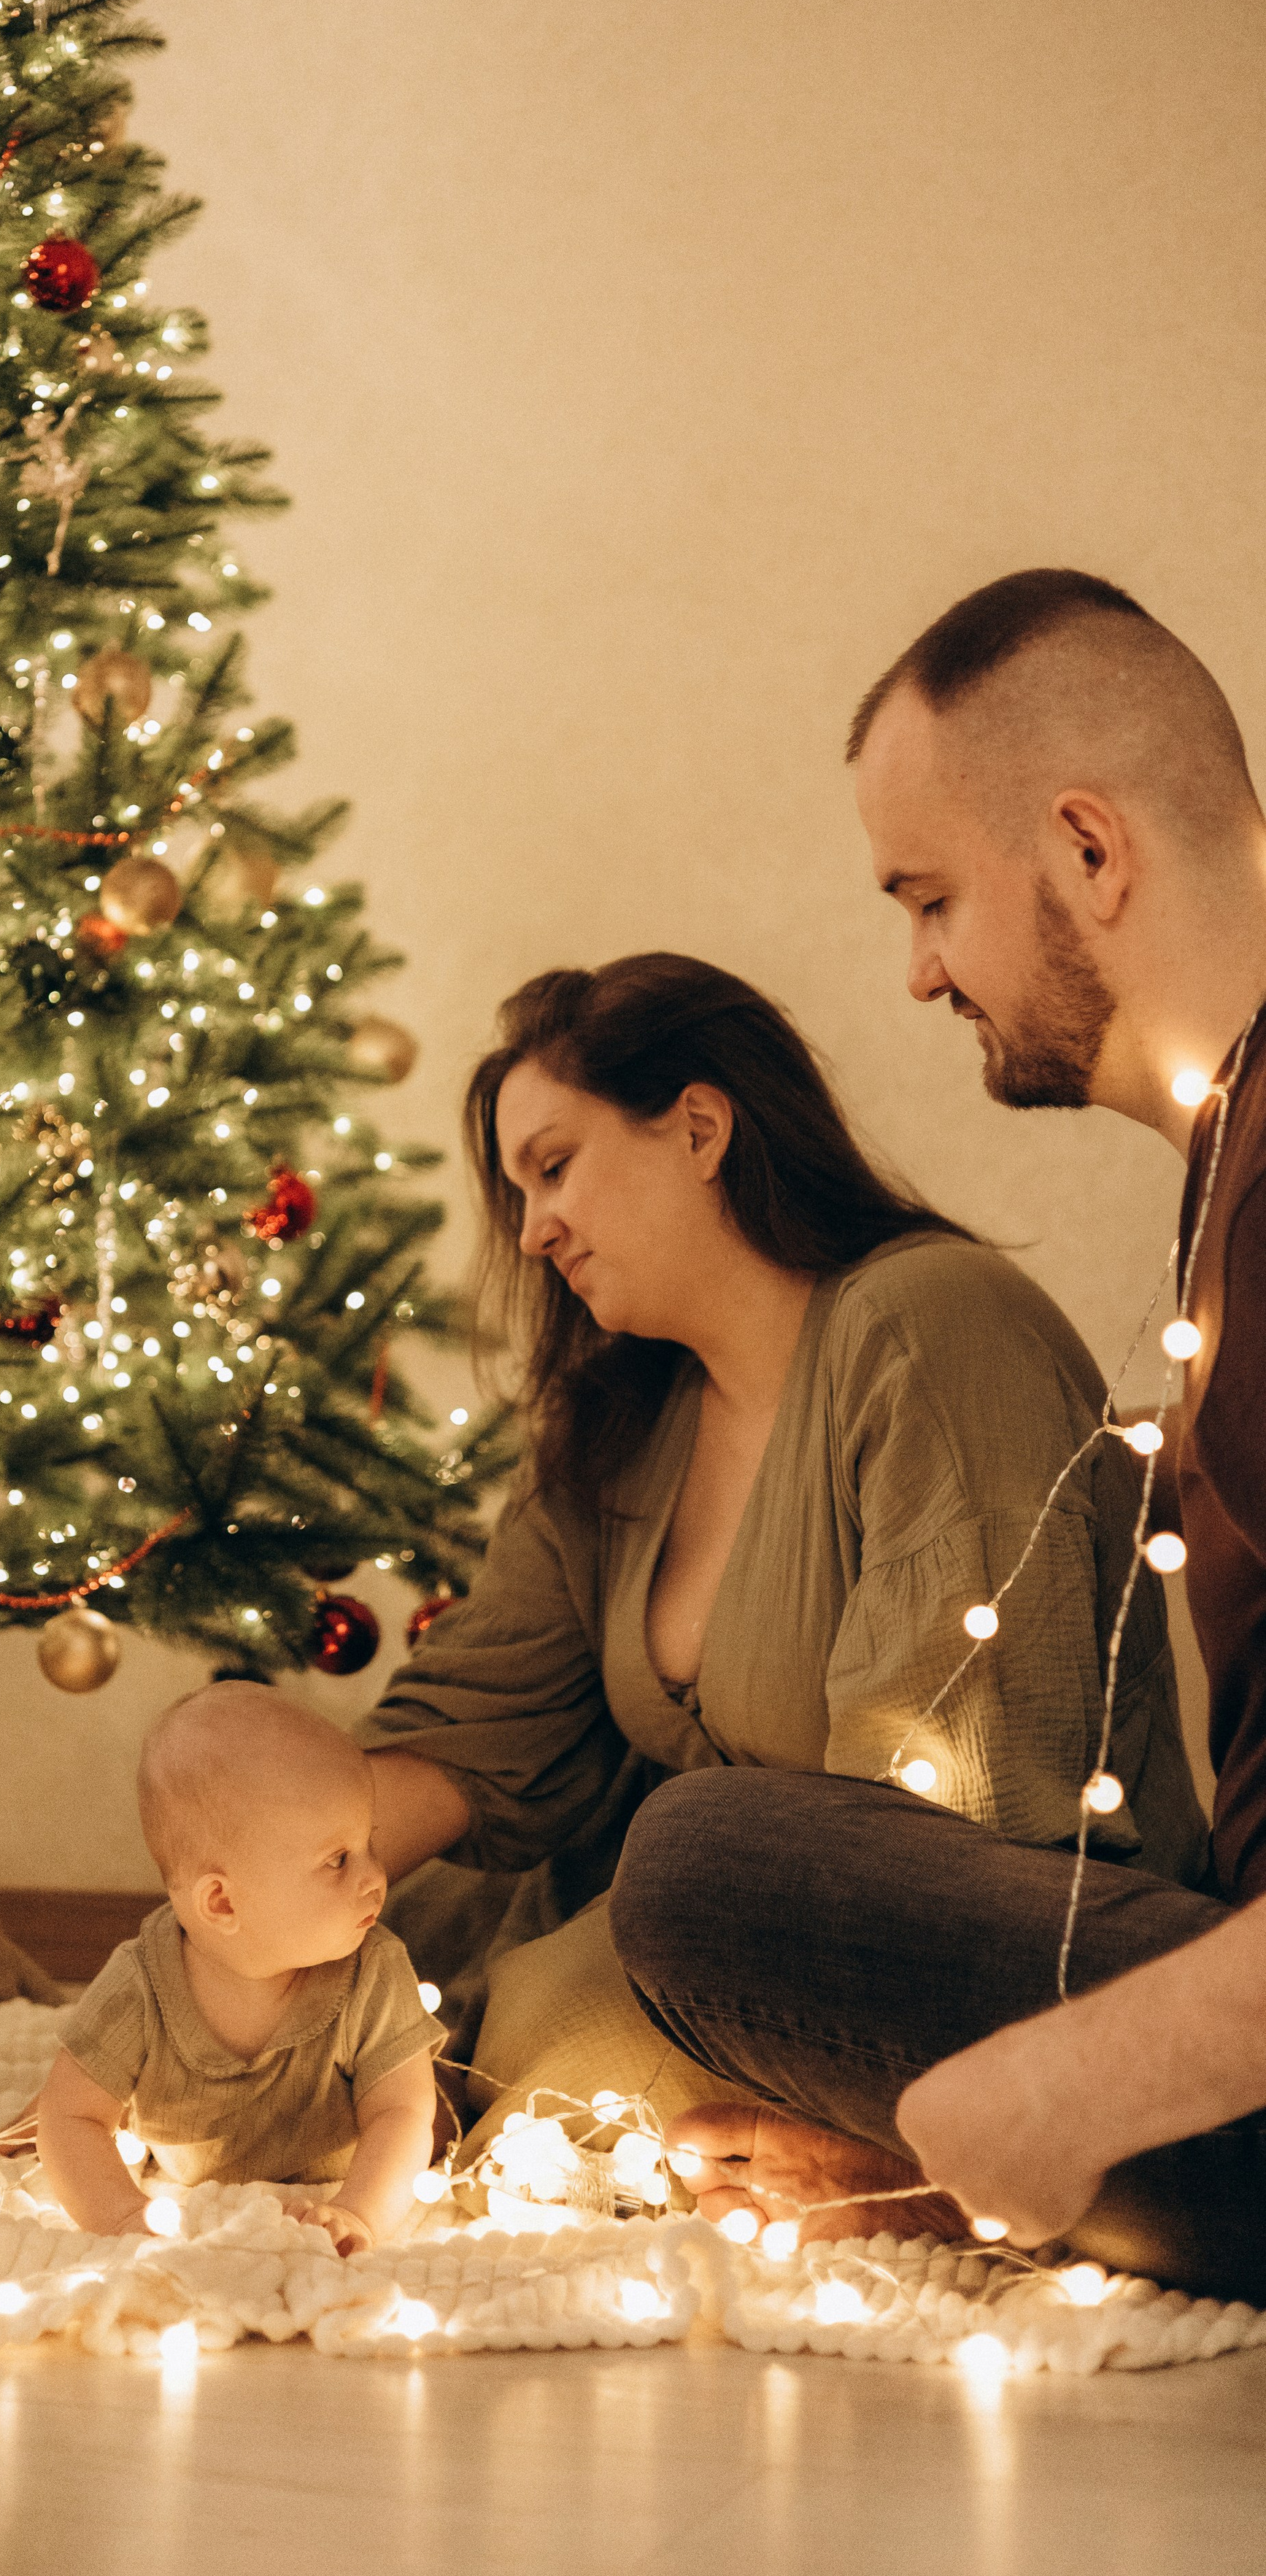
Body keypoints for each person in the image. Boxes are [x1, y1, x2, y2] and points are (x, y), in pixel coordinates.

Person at [614, 569, 1266, 2300]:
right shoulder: (1230, 1173)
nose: (914, 973)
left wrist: (1067, 2083)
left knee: (706, 1862)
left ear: (1084, 849)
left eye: (928, 897)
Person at [359, 953, 1205, 2162]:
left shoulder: (929, 1321)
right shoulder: (621, 1431)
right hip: (718, 1933)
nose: (534, 1228)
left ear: (700, 1127)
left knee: (675, 1877)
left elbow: (961, 1819)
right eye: (519, 1192)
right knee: (403, 1922)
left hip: (965, 1955)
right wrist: (248, 1903)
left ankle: (420, 2088)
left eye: (555, 1167)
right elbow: (465, 1731)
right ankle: (364, 2071)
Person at [34, 1686, 440, 2253]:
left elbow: (402, 2112)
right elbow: (67, 2116)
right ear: (222, 1903)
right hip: (185, 2198)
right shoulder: (143, 1984)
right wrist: (122, 2216)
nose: (375, 1876)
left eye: (368, 1845)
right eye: (337, 1860)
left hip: (333, 2182)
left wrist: (359, 2212)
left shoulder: (373, 1972)